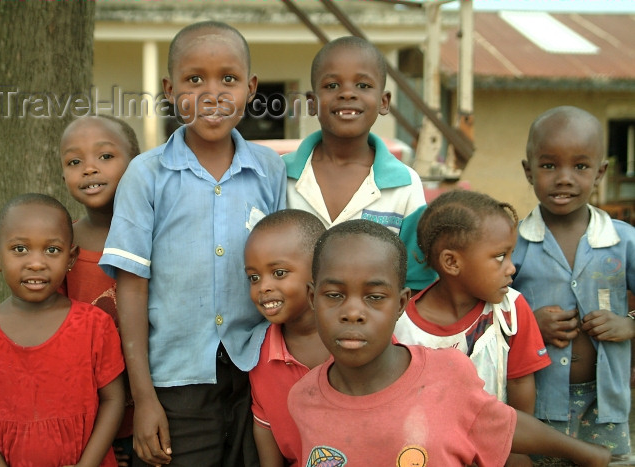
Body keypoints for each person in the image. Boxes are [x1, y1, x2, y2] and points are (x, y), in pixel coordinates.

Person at [98, 21, 287, 467]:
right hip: (175, 381)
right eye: (194, 79)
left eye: (228, 79)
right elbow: (132, 286)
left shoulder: (270, 170)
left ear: (250, 87)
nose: (212, 94)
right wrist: (143, 398)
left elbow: (288, 266)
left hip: (257, 374)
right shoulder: (146, 176)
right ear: (170, 89)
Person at [288, 219, 611, 467]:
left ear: (401, 304)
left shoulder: (447, 372)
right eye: (334, 295)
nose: (353, 313)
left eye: (375, 297)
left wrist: (586, 454)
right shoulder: (303, 399)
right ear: (313, 298)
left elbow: (501, 424)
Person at [0, 193, 125, 467]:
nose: (36, 263)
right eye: (20, 249)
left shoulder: (94, 325)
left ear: (71, 258)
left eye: (52, 250)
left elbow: (113, 401)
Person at [512, 106, 635, 465]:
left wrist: (628, 322)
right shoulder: (513, 245)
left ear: (601, 172)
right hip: (536, 400)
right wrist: (529, 325)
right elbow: (487, 313)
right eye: (549, 165)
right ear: (528, 171)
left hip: (606, 401)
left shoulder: (622, 241)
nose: (564, 178)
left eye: (580, 167)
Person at [394, 190, 550, 466]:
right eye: (500, 256)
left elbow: (520, 381)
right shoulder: (401, 326)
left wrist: (513, 448)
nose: (511, 268)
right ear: (452, 262)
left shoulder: (511, 310)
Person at [282, 36, 435, 292]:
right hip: (293, 329)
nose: (347, 93)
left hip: (378, 331)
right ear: (311, 103)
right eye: (332, 85)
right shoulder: (280, 175)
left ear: (384, 102)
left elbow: (417, 281)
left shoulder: (405, 185)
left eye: (363, 85)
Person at [59, 114, 141, 466]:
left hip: (153, 408)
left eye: (105, 157)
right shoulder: (61, 248)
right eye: (75, 162)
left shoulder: (157, 237)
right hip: (87, 417)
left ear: (137, 164)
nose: (89, 169)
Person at [244, 209, 328, 467]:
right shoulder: (260, 355)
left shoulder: (357, 341)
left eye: (279, 273)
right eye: (254, 277)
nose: (263, 287)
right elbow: (265, 428)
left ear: (318, 271)